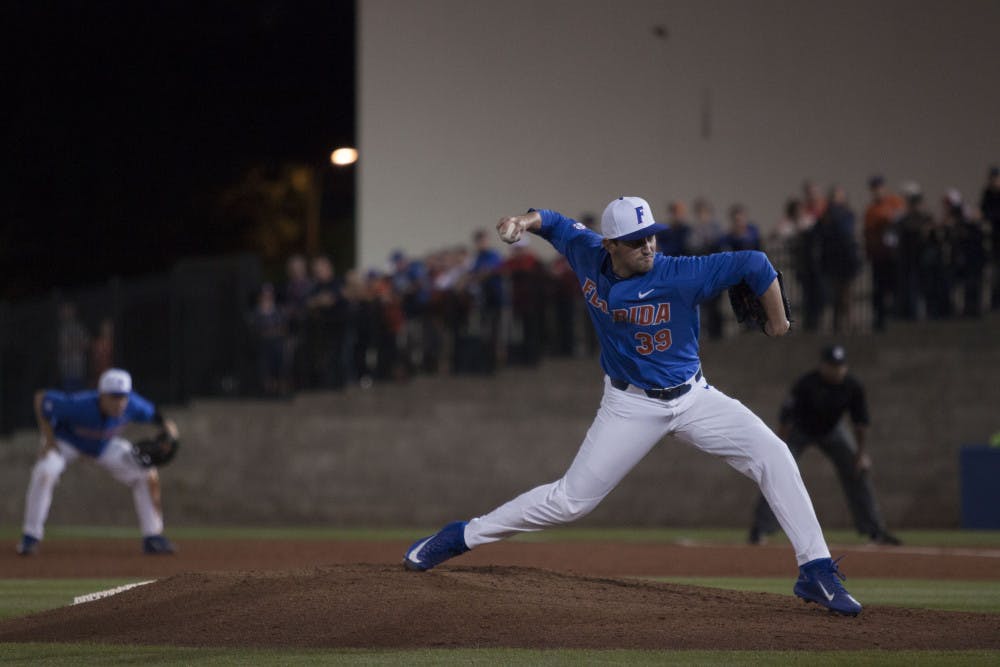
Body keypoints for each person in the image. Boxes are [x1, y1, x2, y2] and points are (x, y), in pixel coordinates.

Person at [403, 196, 863, 617]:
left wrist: (779, 323)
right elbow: (557, 224)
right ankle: (460, 537)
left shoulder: (680, 272)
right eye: (635, 240)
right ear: (610, 246)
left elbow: (756, 262)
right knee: (569, 503)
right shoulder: (588, 252)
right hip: (629, 404)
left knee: (774, 455)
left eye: (651, 235)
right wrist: (522, 222)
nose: (647, 245)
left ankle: (815, 571)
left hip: (693, 398)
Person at [748, 344, 901, 548]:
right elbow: (786, 419)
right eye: (832, 365)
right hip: (799, 431)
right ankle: (760, 530)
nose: (837, 370)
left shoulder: (852, 386)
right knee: (778, 472)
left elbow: (860, 424)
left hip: (832, 431)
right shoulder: (806, 384)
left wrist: (860, 454)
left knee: (858, 471)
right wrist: (779, 449)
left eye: (840, 366)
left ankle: (875, 531)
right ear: (822, 366)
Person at [17, 368, 180, 556]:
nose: (119, 402)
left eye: (123, 396)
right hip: (67, 443)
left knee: (146, 472)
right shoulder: (79, 404)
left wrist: (169, 428)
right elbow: (41, 398)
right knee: (45, 470)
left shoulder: (132, 405)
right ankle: (30, 537)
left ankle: (153, 537)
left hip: (104, 446)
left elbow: (158, 417)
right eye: (114, 396)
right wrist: (48, 440)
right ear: (101, 395)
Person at [862, 175, 904, 331]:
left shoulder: (894, 203)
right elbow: (868, 231)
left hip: (893, 255)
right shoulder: (871, 210)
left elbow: (900, 220)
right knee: (879, 290)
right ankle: (880, 320)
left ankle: (895, 316)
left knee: (895, 288)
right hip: (878, 256)